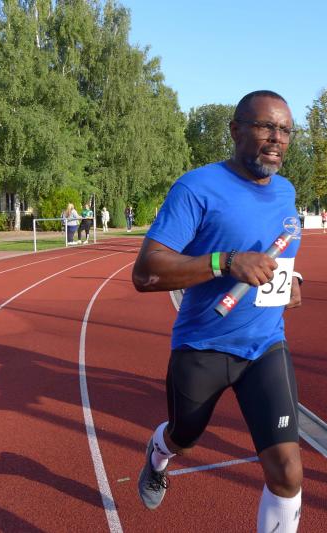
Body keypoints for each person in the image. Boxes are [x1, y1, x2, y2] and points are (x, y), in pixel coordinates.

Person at [132, 90, 304, 533]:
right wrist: (224, 262)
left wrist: (292, 281)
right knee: (184, 436)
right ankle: (159, 452)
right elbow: (145, 272)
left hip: (265, 346)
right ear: (235, 130)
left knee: (287, 471)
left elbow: (276, 254)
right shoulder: (197, 188)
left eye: (285, 130)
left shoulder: (286, 192)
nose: (277, 138)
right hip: (203, 346)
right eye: (267, 126)